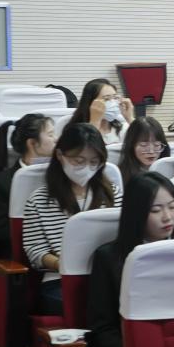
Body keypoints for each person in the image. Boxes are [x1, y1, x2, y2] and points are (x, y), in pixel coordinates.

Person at [87, 171, 174, 347]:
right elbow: (102, 327)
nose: (167, 217)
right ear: (136, 213)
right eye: (155, 210)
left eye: (172, 206)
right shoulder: (109, 258)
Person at [24, 123, 123, 312]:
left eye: (94, 162)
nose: (86, 168)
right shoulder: (39, 200)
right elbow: (35, 250)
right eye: (78, 161)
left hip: (106, 278)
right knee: (92, 306)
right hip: (60, 279)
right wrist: (62, 264)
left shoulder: (113, 194)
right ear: (60, 155)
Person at [0, 113, 56, 255]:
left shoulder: (62, 174)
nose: (56, 139)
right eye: (50, 135)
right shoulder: (2, 182)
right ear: (32, 143)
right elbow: (2, 231)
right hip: (23, 252)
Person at [73, 78, 133, 144]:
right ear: (90, 102)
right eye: (106, 99)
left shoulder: (122, 127)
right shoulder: (76, 130)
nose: (113, 103)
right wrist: (95, 121)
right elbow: (85, 147)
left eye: (115, 97)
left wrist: (129, 118)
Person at [116, 116, 169, 185]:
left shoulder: (170, 170)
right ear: (132, 145)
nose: (151, 151)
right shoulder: (119, 176)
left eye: (157, 144)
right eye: (143, 145)